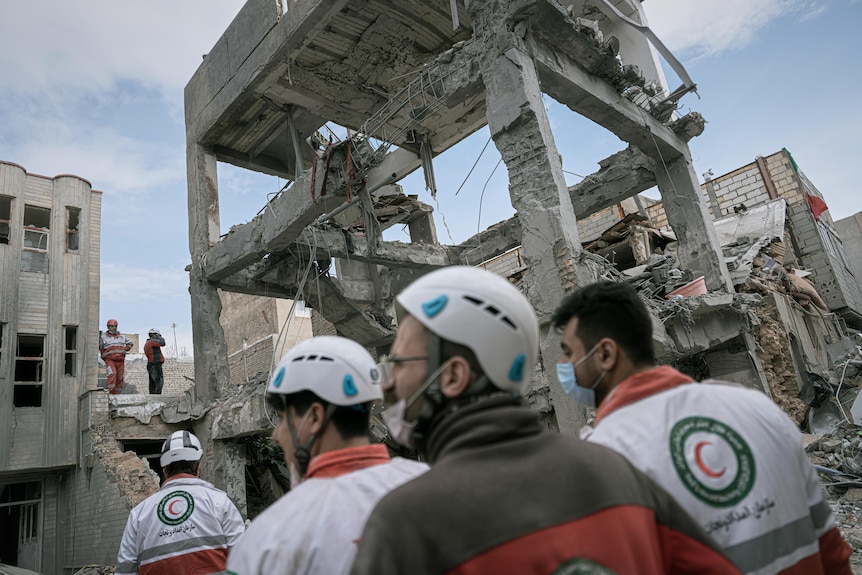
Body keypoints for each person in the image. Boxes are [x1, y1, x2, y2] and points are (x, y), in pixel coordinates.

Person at [351, 266, 741, 575]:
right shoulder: (615, 470)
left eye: (400, 362)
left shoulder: (406, 523)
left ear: (453, 377)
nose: (387, 381)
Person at [551, 281, 852, 575]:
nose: (563, 363)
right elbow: (831, 549)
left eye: (567, 351)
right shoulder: (755, 407)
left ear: (605, 354)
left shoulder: (603, 457)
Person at [226, 336, 428, 575]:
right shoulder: (434, 488)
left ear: (314, 418)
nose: (276, 435)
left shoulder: (269, 537)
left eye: (282, 419)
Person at [116, 430, 244, 574]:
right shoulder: (219, 502)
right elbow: (243, 560)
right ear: (197, 467)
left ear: (164, 470)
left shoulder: (139, 514)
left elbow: (125, 570)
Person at [100, 319, 133, 394]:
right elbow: (100, 347)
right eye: (112, 326)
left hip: (120, 360)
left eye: (115, 326)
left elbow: (130, 343)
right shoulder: (103, 337)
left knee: (119, 377)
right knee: (112, 374)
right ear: (108, 327)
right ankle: (110, 392)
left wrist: (126, 348)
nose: (114, 328)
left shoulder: (122, 336)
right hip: (110, 360)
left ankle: (117, 394)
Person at [144, 328, 166, 394]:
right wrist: (160, 337)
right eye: (158, 335)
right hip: (155, 364)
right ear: (154, 335)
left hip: (152, 364)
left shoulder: (149, 342)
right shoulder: (151, 342)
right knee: (158, 382)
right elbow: (163, 343)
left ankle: (153, 397)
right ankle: (157, 397)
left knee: (153, 383)